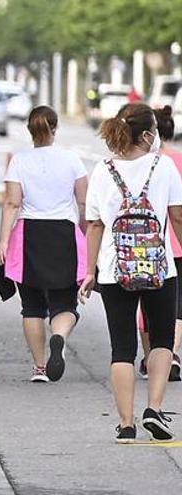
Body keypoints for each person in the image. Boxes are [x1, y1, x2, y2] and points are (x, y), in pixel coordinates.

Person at [79, 102, 182, 443]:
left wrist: (90, 270)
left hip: (113, 270)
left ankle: (126, 423)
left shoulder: (102, 170)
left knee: (121, 347)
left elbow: (94, 224)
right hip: (160, 268)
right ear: (149, 134)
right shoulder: (163, 166)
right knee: (162, 340)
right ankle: (154, 407)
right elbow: (177, 217)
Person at [0, 106, 88, 383]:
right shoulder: (72, 159)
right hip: (64, 235)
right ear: (55, 129)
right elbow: (83, 202)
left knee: (31, 306)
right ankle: (59, 336)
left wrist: (3, 241)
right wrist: (82, 232)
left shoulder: (19, 161)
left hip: (29, 235)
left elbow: (12, 203)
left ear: (29, 130)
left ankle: (39, 367)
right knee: (65, 303)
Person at [136, 105, 182, 382]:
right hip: (178, 244)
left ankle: (149, 357)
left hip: (146, 246)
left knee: (146, 305)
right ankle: (172, 353)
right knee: (178, 305)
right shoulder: (177, 161)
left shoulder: (141, 164)